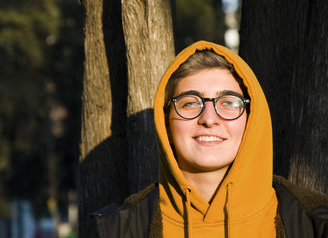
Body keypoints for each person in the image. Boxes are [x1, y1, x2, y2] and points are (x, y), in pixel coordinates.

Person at [92, 41, 328, 237]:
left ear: (252, 118)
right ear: (166, 124)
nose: (209, 118)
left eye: (228, 102)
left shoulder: (315, 223)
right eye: (190, 102)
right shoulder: (116, 230)